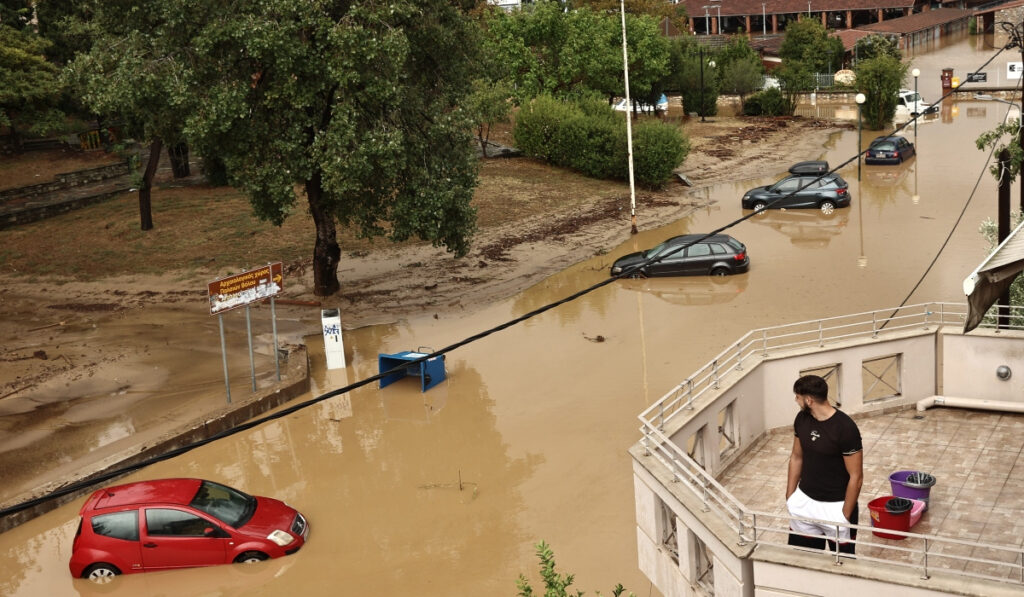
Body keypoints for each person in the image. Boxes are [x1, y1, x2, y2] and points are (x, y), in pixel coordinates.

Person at [786, 374, 863, 554]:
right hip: (804, 503)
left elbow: (856, 476)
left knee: (842, 566)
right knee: (802, 560)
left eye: (797, 397)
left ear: (809, 400)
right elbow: (797, 457)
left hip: (836, 506)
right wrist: (790, 497)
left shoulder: (846, 428)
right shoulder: (801, 419)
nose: (796, 400)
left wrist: (844, 514)